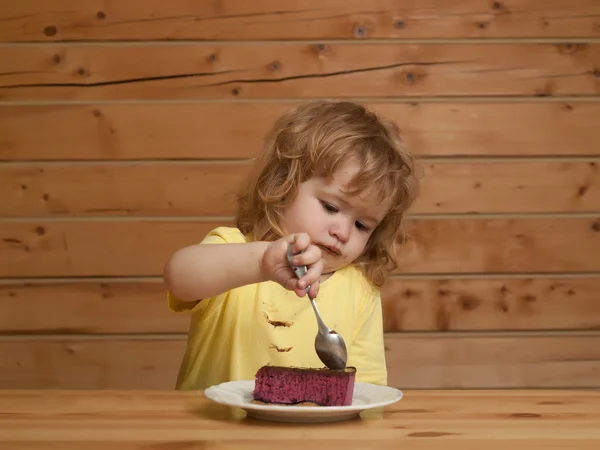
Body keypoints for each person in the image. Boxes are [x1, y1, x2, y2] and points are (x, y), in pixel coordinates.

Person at [163, 100, 419, 390]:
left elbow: (367, 387)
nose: (343, 232)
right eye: (331, 207)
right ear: (283, 184)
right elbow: (178, 278)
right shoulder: (233, 251)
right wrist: (260, 262)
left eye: (362, 225)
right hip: (212, 432)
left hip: (308, 436)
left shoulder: (359, 290)